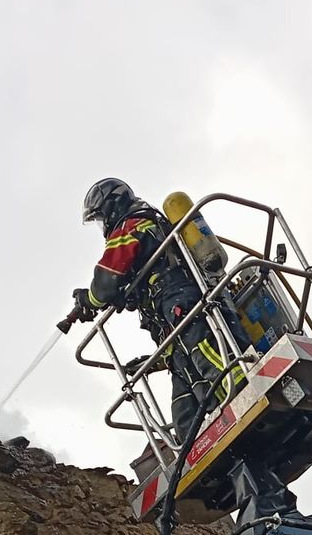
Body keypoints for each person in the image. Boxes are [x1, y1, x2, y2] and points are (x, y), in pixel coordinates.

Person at [67, 177, 243, 442]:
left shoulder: (130, 226)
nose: (102, 226)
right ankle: (190, 453)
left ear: (112, 207)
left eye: (100, 218)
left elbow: (106, 281)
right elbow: (127, 280)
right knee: (185, 407)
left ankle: (246, 388)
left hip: (180, 302)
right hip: (170, 323)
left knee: (208, 357)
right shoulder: (149, 226)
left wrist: (87, 299)